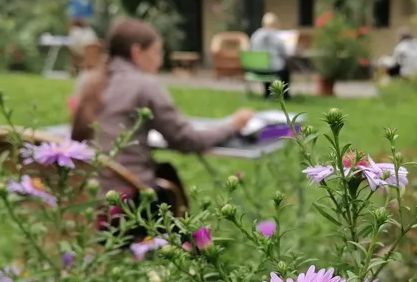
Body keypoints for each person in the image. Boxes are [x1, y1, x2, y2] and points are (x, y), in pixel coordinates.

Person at [71, 18, 255, 233]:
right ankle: (185, 248)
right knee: (167, 180)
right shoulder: (143, 85)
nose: (159, 62)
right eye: (157, 53)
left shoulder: (88, 80)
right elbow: (187, 139)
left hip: (85, 197)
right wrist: (233, 124)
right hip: (126, 203)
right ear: (137, 52)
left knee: (165, 170)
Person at [249, 13, 291, 98]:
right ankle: (285, 95)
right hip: (272, 69)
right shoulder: (276, 37)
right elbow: (283, 53)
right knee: (285, 71)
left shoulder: (255, 35)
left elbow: (250, 49)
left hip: (256, 68)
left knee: (266, 66)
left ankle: (267, 93)